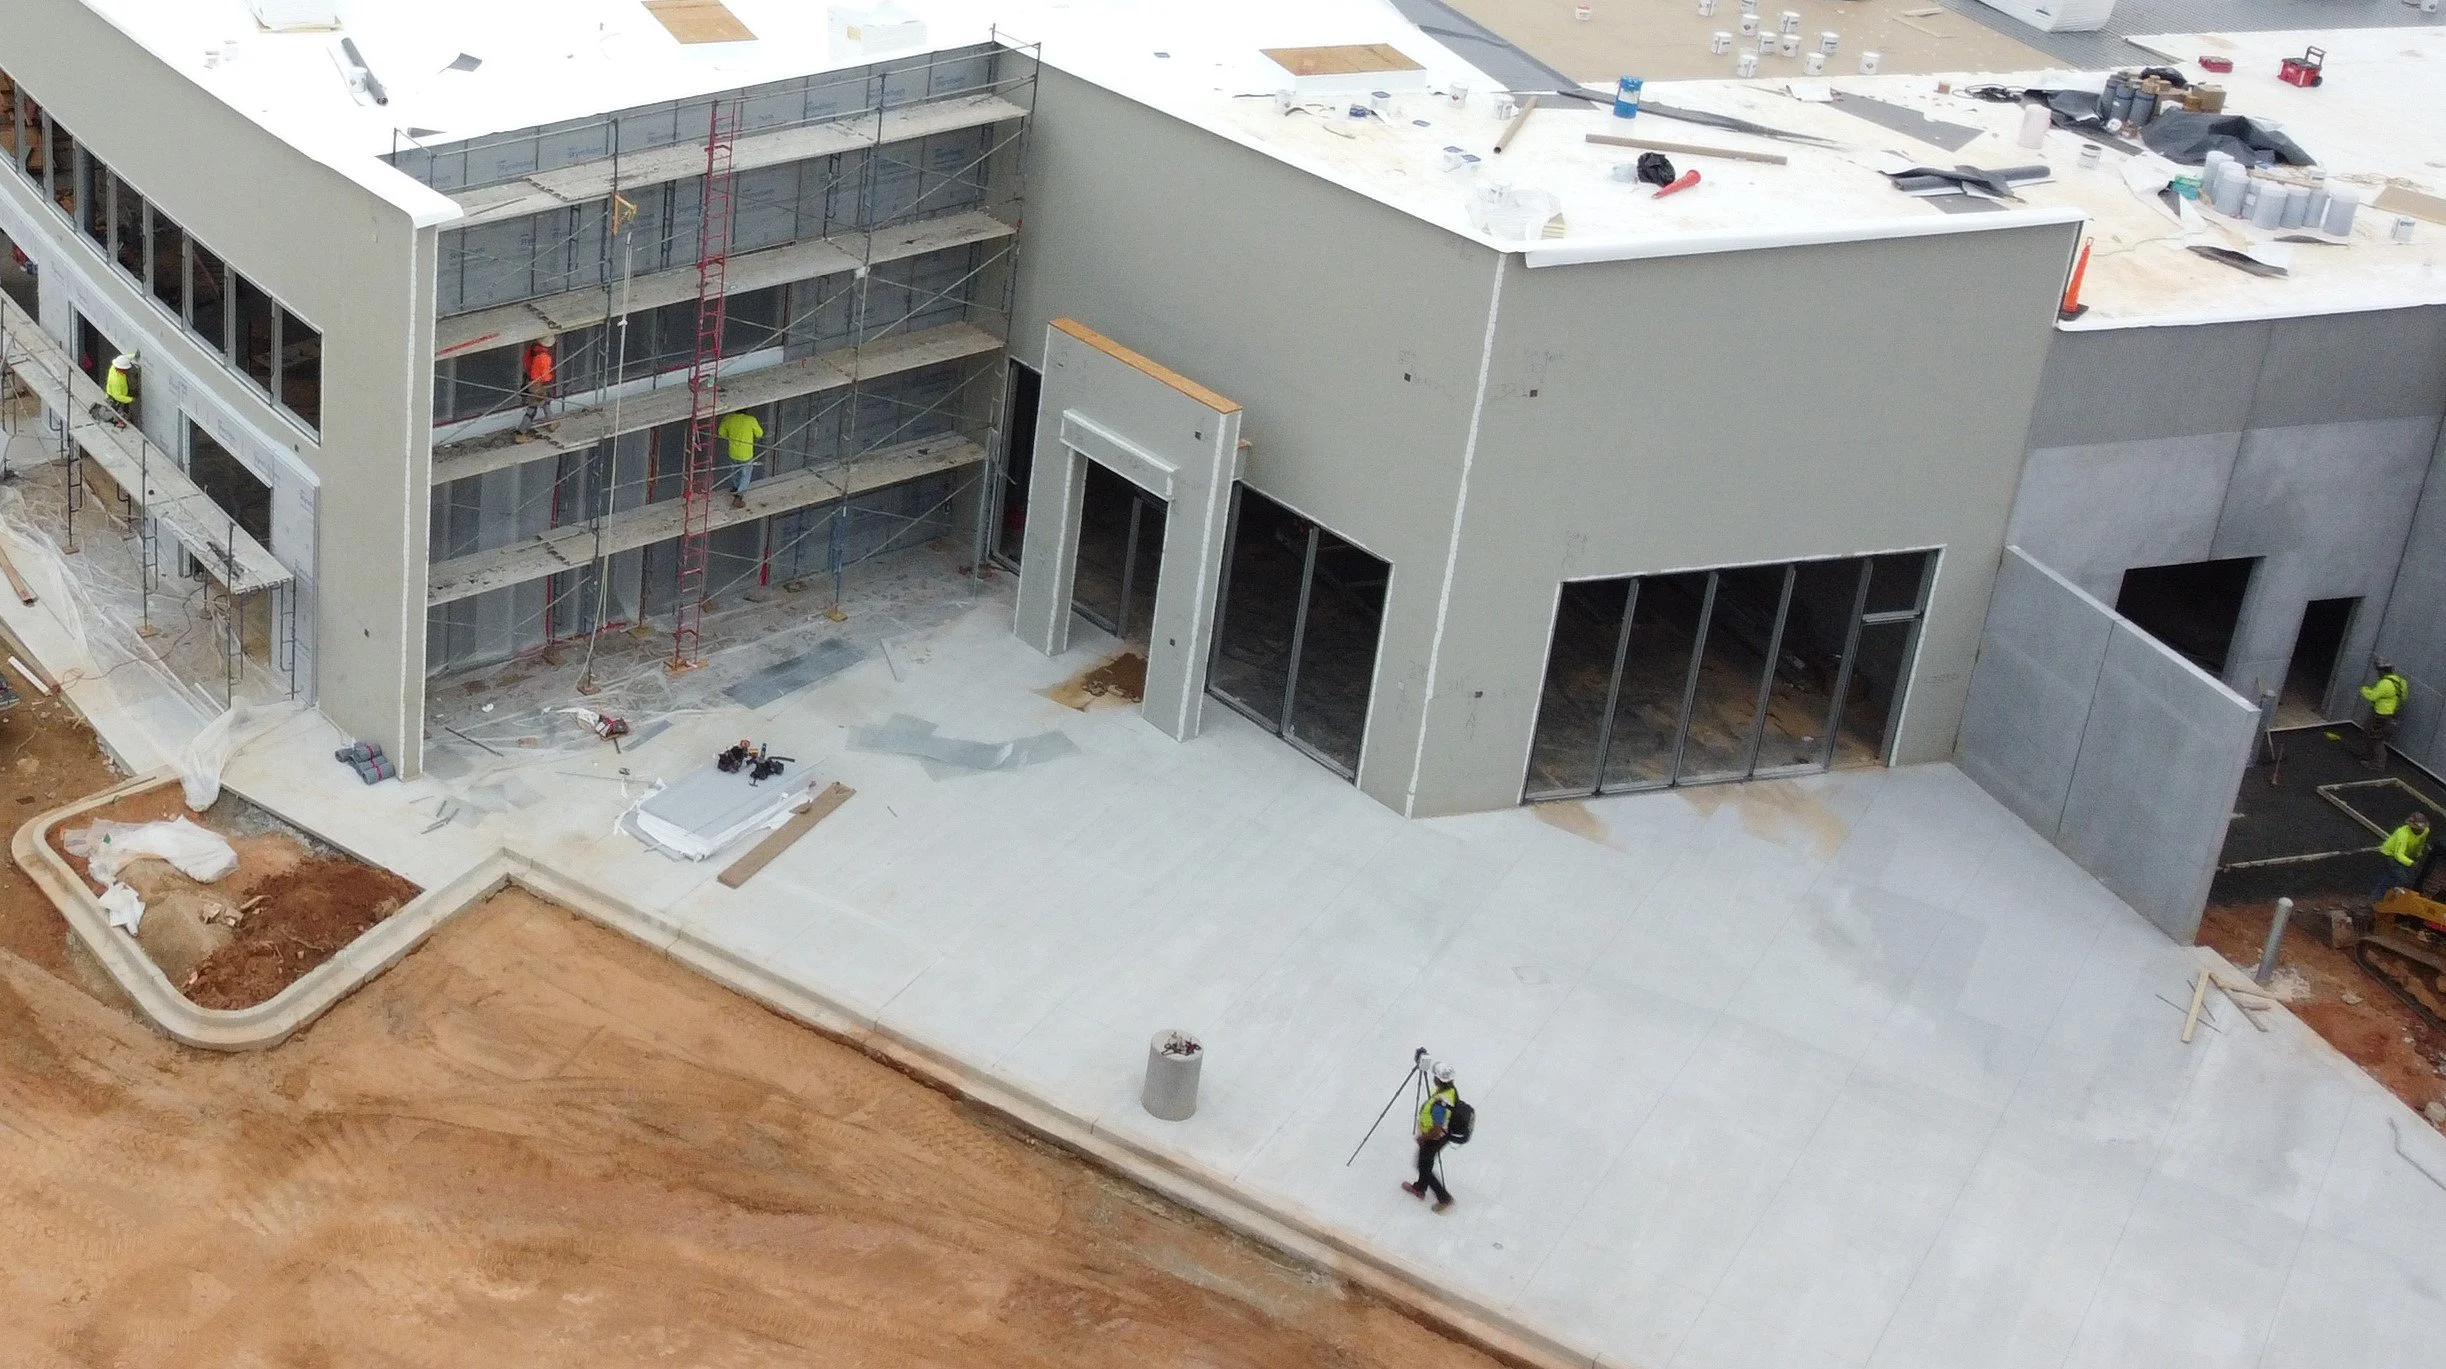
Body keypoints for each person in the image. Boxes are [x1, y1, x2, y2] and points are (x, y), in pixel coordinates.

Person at [1400, 1060, 1458, 1212]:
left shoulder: (1441, 1104)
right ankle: (1420, 1187)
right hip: (1438, 1137)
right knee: (1426, 1162)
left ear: (1439, 1080)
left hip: (1433, 1138)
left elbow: (1437, 1130)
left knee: (1423, 1166)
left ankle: (1444, 1198)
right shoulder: (1450, 1091)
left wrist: (1423, 1138)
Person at [2360, 660, 2410, 769]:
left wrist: (2364, 689)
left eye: (2379, 670)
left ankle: (2378, 763)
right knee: (2370, 732)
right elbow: (2404, 697)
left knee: (2375, 738)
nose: (2378, 673)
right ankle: (2371, 757)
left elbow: (2372, 696)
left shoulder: (2385, 683)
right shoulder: (2401, 681)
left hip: (2380, 715)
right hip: (2390, 714)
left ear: (2383, 671)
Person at [2374, 812, 2431, 902]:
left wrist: (2417, 855)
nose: (2420, 831)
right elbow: (2398, 854)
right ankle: (2378, 899)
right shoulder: (2403, 834)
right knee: (2398, 877)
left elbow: (2420, 843)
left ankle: (2392, 897)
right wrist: (2411, 863)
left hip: (2406, 855)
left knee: (2408, 878)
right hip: (2390, 855)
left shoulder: (2425, 831)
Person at [716, 408, 763, 508]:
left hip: (733, 452)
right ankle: (739, 496)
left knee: (735, 471)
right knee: (745, 475)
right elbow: (759, 433)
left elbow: (721, 433)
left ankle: (734, 488)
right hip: (746, 453)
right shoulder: (750, 420)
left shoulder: (728, 419)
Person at [518, 336, 556, 434]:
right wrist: (550, 377)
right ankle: (521, 432)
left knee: (545, 401)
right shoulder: (544, 357)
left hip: (529, 381)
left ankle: (551, 421)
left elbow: (525, 361)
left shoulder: (530, 350)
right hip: (537, 384)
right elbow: (545, 375)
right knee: (533, 408)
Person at [103, 352, 136, 422]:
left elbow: (124, 359)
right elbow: (117, 396)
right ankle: (117, 421)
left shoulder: (114, 367)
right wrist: (130, 399)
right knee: (115, 413)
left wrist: (133, 355)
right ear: (121, 369)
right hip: (115, 399)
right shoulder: (116, 380)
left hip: (119, 393)